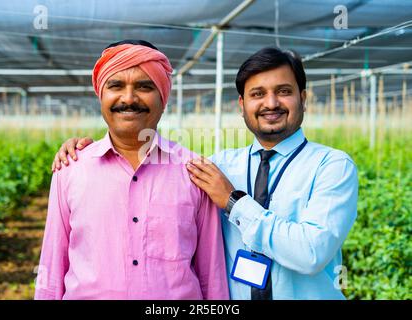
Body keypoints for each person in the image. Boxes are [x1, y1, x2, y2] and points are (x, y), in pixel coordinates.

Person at [52, 47, 358, 300]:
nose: (271, 103)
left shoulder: (331, 166)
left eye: (284, 91)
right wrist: (81, 150)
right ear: (242, 105)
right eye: (257, 94)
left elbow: (312, 253)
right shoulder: (214, 166)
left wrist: (235, 202)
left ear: (302, 98)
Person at [35, 39, 229, 300]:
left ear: (163, 96)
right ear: (101, 95)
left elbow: (211, 274)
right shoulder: (71, 169)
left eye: (144, 86)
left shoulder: (195, 171)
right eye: (116, 85)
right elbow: (53, 265)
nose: (128, 98)